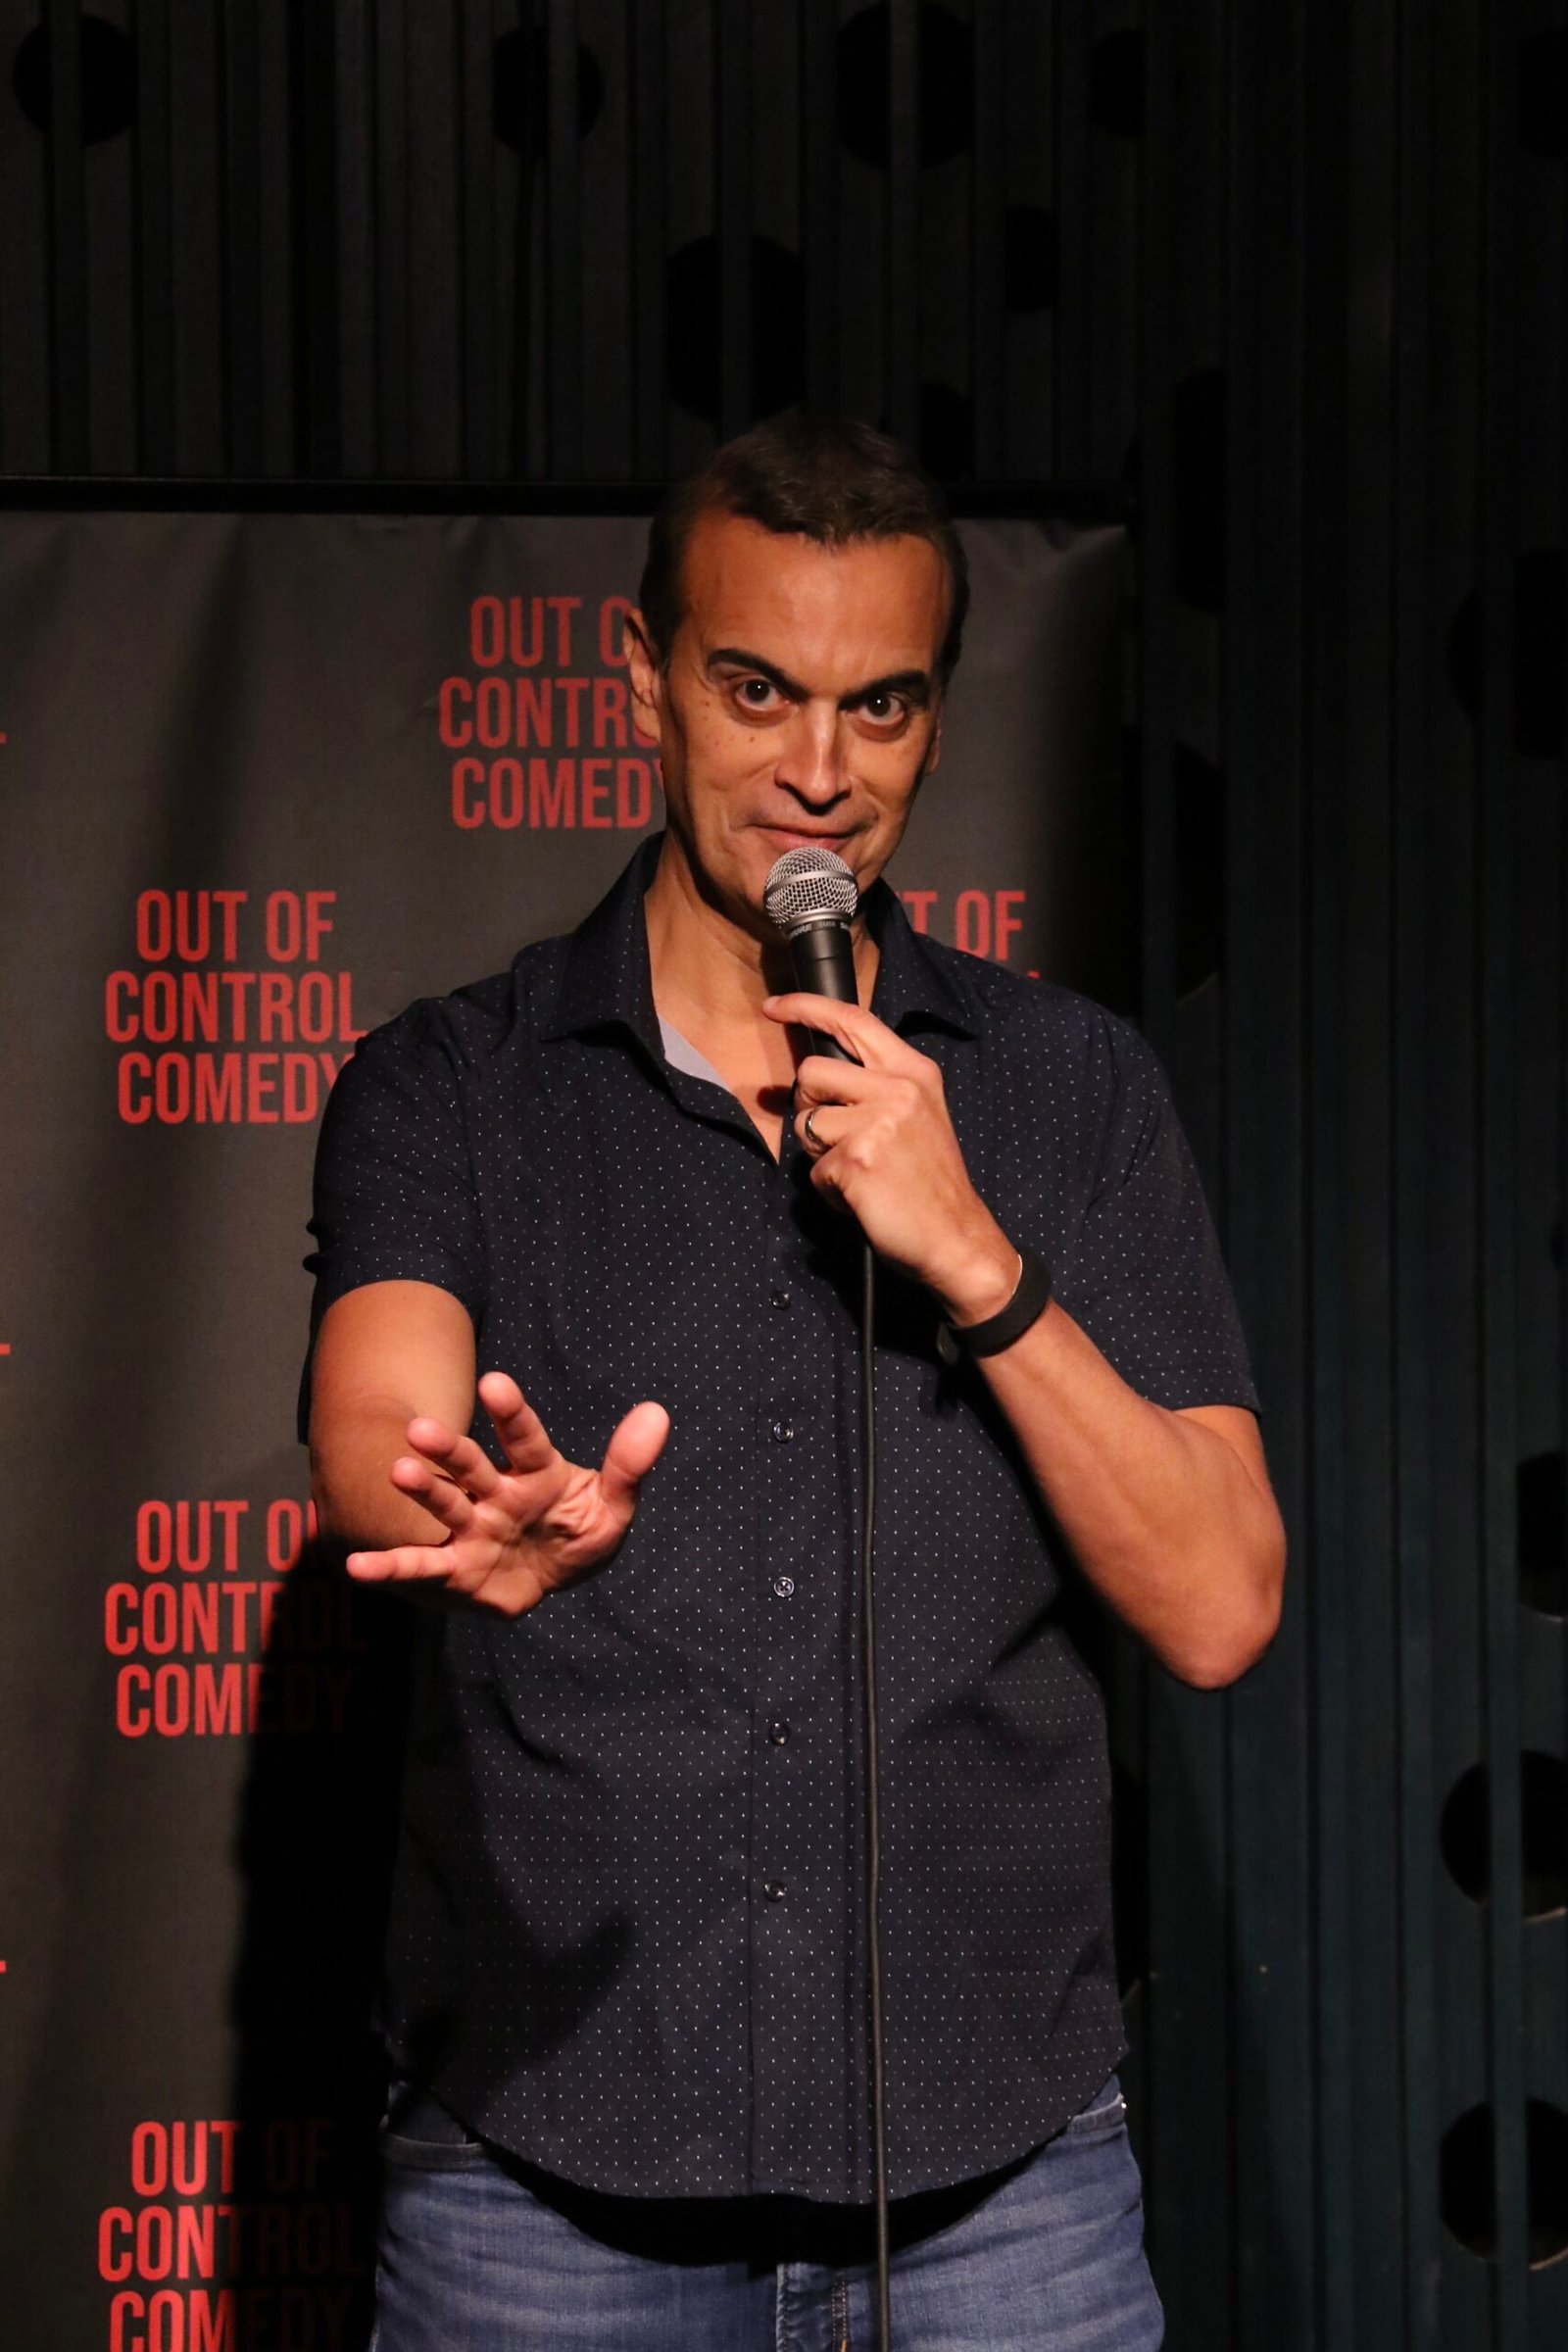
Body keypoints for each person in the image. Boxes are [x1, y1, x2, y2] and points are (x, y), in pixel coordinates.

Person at [304, 415, 1285, 2351]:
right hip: (542, 2187)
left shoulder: (1069, 1094)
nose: (818, 771)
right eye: (757, 690)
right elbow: (375, 1425)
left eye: (878, 707)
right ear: (646, 681)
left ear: (935, 721)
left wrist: (976, 1260)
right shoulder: (458, 1082)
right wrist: (468, 1505)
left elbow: (1217, 1602)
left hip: (1000, 2187)